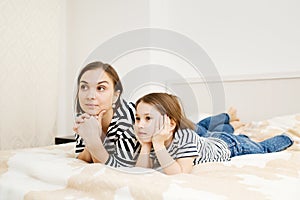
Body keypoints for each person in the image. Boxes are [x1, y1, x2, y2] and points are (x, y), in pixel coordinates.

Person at [134, 92, 294, 175]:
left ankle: (288, 137)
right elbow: (141, 170)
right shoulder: (153, 139)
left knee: (262, 148)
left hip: (231, 146)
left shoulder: (184, 138)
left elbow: (180, 173)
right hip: (208, 141)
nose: (140, 125)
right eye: (137, 118)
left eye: (148, 118)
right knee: (204, 130)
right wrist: (145, 146)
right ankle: (236, 128)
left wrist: (158, 145)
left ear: (171, 123)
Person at [73, 61, 139, 167]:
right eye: (84, 87)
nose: (90, 96)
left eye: (101, 88)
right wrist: (92, 138)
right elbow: (83, 158)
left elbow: (119, 169)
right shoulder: (85, 118)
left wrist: (94, 139)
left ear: (115, 96)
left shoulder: (129, 119)